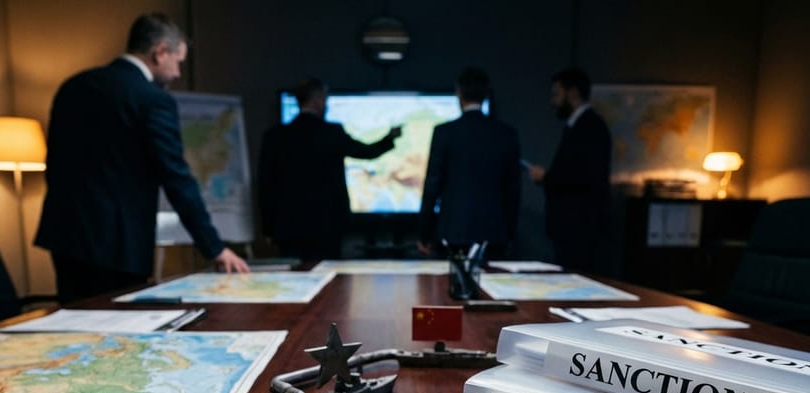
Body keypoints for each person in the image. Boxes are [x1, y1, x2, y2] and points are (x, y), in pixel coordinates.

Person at [35, 13, 248, 303]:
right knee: (116, 337)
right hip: (118, 244)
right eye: (178, 62)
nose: (177, 74)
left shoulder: (73, 86)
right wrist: (214, 248)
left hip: (65, 235)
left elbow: (55, 162)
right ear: (160, 52)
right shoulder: (152, 100)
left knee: (75, 327)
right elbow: (177, 179)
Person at [258, 77, 401, 262]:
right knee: (327, 280)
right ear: (317, 100)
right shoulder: (332, 133)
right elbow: (366, 151)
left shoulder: (274, 137)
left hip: (288, 226)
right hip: (327, 225)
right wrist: (390, 138)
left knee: (293, 278)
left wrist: (268, 228)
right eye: (325, 99)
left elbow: (265, 186)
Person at [417, 67, 521, 260]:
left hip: (452, 232)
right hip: (494, 234)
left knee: (450, 288)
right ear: (486, 93)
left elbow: (432, 187)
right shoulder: (506, 134)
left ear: (458, 92)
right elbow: (512, 191)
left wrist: (424, 234)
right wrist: (509, 235)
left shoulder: (444, 133)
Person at [526, 67, 613, 276]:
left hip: (579, 229)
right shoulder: (579, 126)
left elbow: (584, 178)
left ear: (572, 93)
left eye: (556, 94)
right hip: (572, 228)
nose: (552, 101)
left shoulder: (590, 127)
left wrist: (546, 177)